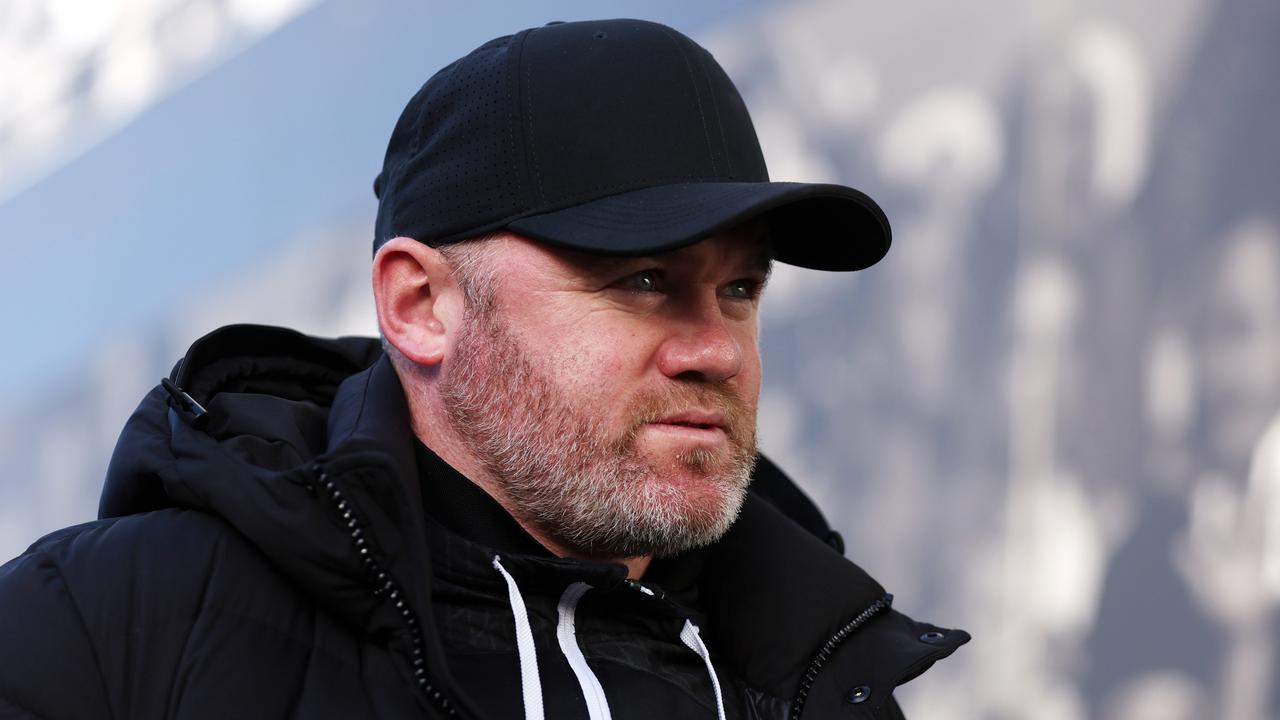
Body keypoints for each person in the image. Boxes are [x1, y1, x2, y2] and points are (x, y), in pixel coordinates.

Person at [0, 18, 967, 720]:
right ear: (422, 306)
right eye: (640, 279)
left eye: (741, 291)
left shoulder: (823, 679)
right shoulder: (100, 632)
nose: (714, 349)